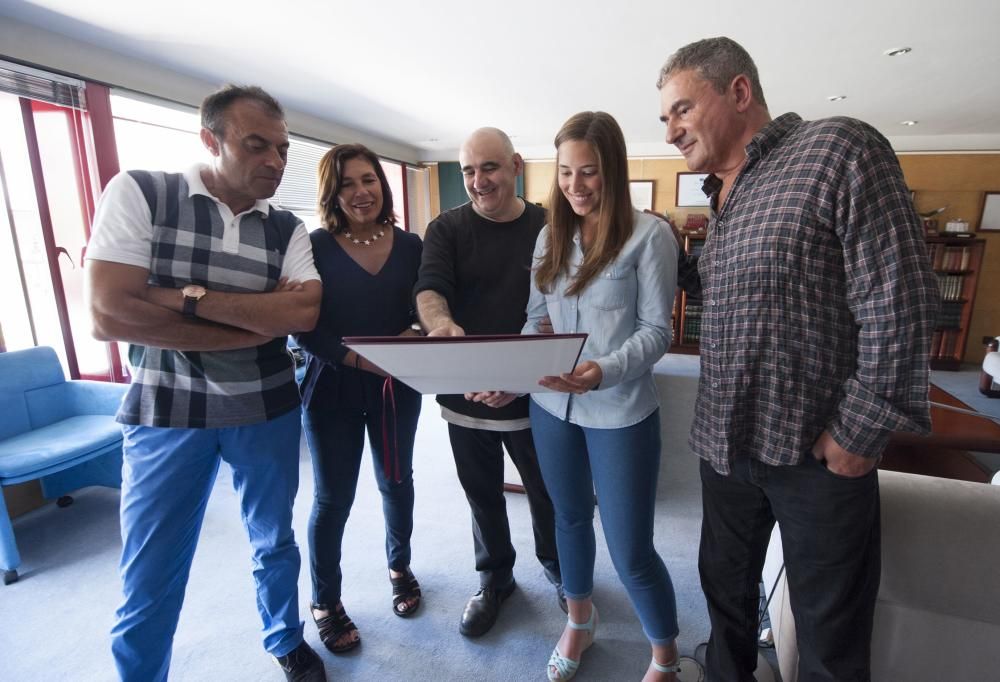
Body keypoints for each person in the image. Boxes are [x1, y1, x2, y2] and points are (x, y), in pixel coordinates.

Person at [656, 37, 939, 681]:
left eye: (680, 110)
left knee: (828, 634)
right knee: (724, 604)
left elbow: (901, 298)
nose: (670, 130)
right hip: (725, 444)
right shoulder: (722, 194)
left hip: (817, 453)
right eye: (665, 119)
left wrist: (860, 431)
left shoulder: (839, 149)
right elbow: (729, 284)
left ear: (738, 91)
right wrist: (655, 249)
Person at [85, 85, 327, 682]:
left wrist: (180, 299)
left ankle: (285, 638)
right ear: (209, 140)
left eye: (282, 148)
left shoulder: (288, 228)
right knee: (150, 568)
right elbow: (108, 314)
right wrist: (250, 323)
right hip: (164, 414)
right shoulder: (143, 193)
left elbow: (300, 316)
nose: (274, 161)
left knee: (274, 543)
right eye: (256, 145)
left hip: (266, 409)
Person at [523, 111, 681, 681]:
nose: (576, 186)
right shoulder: (549, 236)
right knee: (568, 518)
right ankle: (579, 620)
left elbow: (657, 331)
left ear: (612, 171)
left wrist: (601, 370)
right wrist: (510, 364)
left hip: (619, 409)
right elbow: (535, 320)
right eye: (565, 172)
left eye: (588, 172)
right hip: (552, 408)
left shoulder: (650, 235)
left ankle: (665, 655)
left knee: (631, 550)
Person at [414, 127, 564, 637]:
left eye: (490, 168)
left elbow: (564, 306)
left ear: (516, 165)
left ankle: (561, 572)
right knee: (481, 493)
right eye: (469, 171)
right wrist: (440, 325)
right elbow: (430, 289)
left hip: (536, 391)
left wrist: (519, 375)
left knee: (547, 491)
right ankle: (495, 578)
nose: (478, 181)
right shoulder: (446, 228)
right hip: (466, 391)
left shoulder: (550, 225)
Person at [293, 143, 424, 654]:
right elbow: (302, 328)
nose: (360, 191)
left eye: (368, 179)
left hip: (398, 387)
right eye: (347, 183)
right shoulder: (313, 247)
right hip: (333, 387)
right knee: (333, 499)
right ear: (332, 192)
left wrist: (415, 332)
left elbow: (429, 302)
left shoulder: (411, 245)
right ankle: (325, 601)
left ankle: (400, 567)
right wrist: (360, 360)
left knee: (397, 481)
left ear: (382, 184)